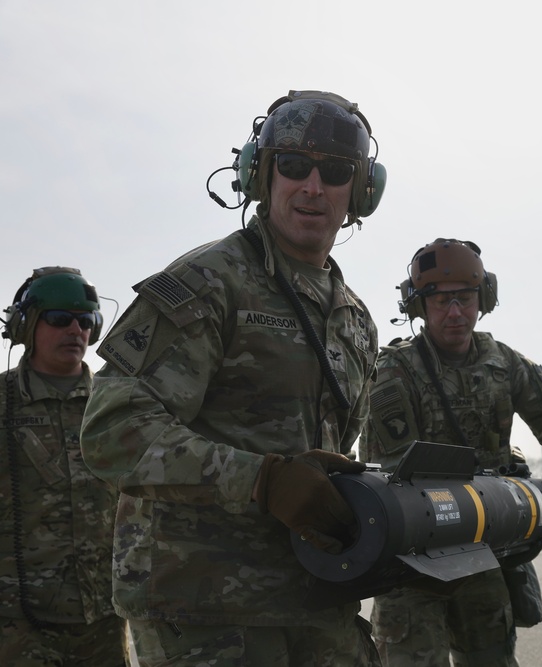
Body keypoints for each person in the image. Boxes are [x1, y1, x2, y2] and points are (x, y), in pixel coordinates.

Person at [80, 90, 387, 666]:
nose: (313, 187)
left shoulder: (354, 319)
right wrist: (261, 480)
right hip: (206, 612)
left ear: (362, 191)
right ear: (260, 175)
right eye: (293, 166)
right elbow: (112, 433)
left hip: (317, 601)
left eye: (337, 172)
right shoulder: (208, 283)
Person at [359, 238, 542, 667]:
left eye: (465, 298)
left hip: (481, 549)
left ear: (483, 297)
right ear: (418, 305)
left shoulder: (505, 364)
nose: (455, 312)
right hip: (411, 560)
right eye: (440, 300)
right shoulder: (394, 371)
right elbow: (392, 472)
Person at [0, 267, 126, 665]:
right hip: (18, 620)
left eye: (86, 321)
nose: (76, 330)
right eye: (59, 319)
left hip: (105, 614)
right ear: (27, 326)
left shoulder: (118, 404)